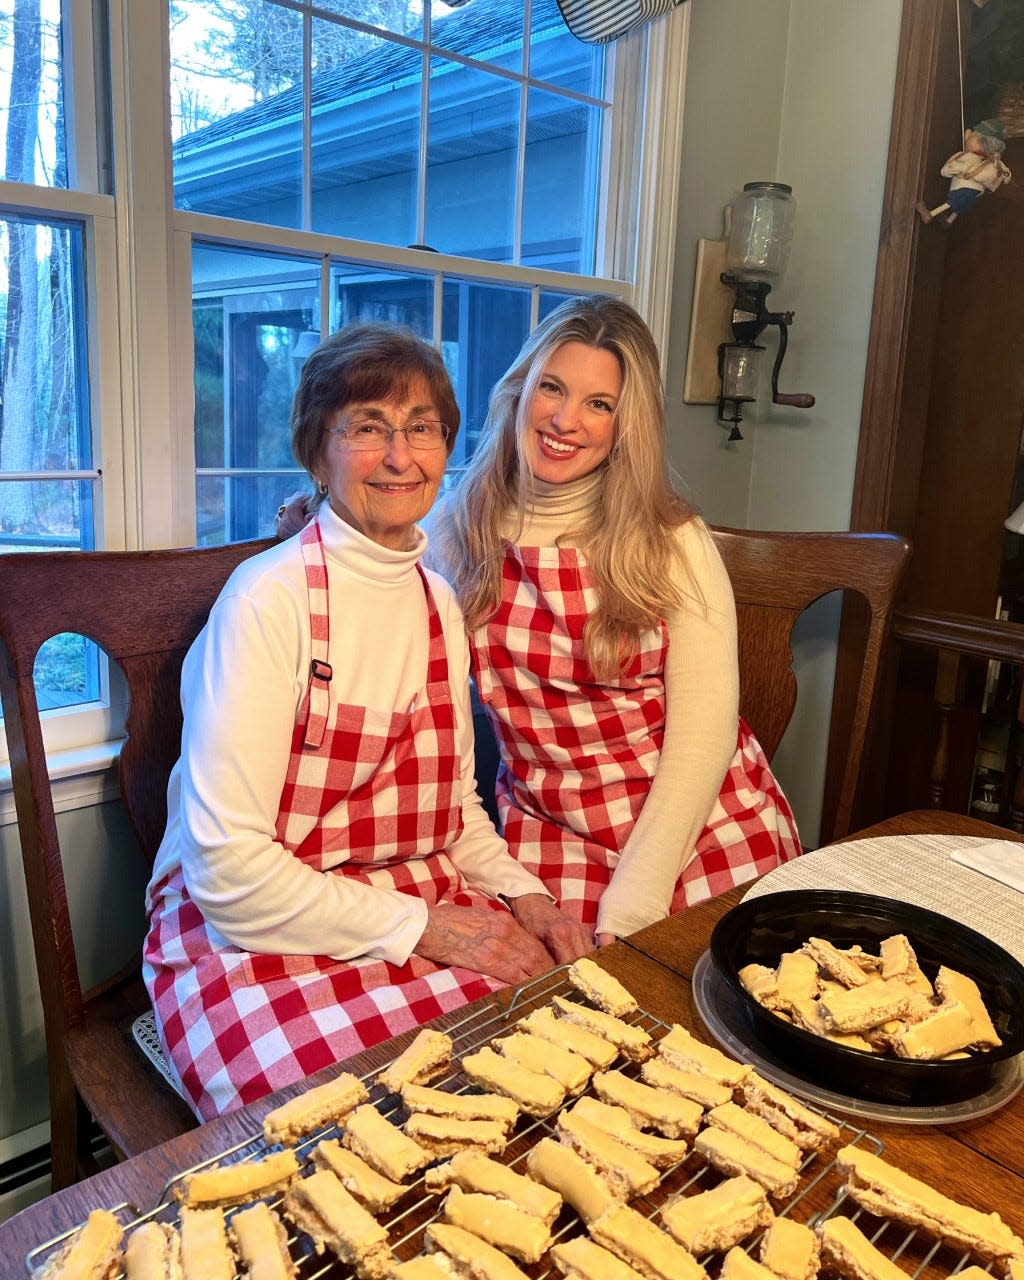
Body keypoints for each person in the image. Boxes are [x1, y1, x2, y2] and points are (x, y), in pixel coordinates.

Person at [144, 323, 591, 1121]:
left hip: (403, 901)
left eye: (422, 428)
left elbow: (455, 816)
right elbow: (229, 878)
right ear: (317, 453)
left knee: (544, 1085)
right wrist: (435, 930)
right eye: (368, 428)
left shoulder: (437, 602)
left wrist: (530, 899)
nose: (400, 455)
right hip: (250, 936)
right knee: (347, 1144)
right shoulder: (267, 601)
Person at [428, 295, 803, 945]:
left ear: (627, 425)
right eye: (552, 388)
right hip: (550, 830)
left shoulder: (674, 538)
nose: (565, 420)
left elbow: (703, 737)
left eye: (599, 404)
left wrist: (637, 901)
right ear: (520, 390)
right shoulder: (455, 532)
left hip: (695, 823)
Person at [917, 119, 1011, 226]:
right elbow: (1005, 173)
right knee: (961, 207)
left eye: (973, 134)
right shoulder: (991, 162)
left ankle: (930, 214)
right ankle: (949, 220)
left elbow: (952, 168)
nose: (967, 134)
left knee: (952, 203)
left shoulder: (971, 157)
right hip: (977, 193)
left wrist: (946, 171)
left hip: (964, 188)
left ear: (981, 144)